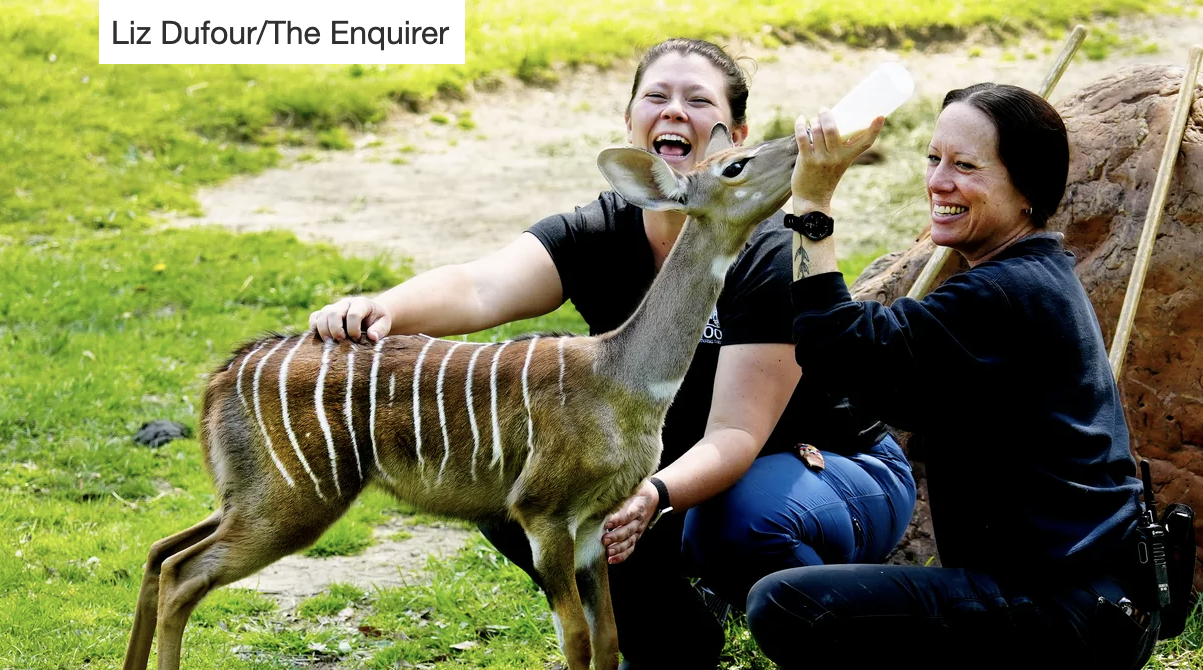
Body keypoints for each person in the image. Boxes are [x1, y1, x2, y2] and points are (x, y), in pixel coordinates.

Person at [310, 38, 915, 669]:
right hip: (677, 476)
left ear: (735, 137)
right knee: (507, 479)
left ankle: (822, 626)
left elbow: (735, 433)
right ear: (630, 129)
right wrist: (383, 308)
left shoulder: (766, 255)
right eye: (656, 96)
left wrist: (653, 496)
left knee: (739, 518)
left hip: (821, 468)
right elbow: (479, 285)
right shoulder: (600, 230)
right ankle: (668, 638)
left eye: (697, 100)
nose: (674, 111)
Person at [746, 83, 1157, 670]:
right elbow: (873, 374)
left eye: (965, 165)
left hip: (1064, 612)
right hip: (1095, 607)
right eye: (933, 159)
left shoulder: (1005, 293)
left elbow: (838, 346)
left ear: (1027, 191)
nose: (938, 181)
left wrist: (812, 203)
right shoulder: (1033, 275)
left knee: (788, 604)